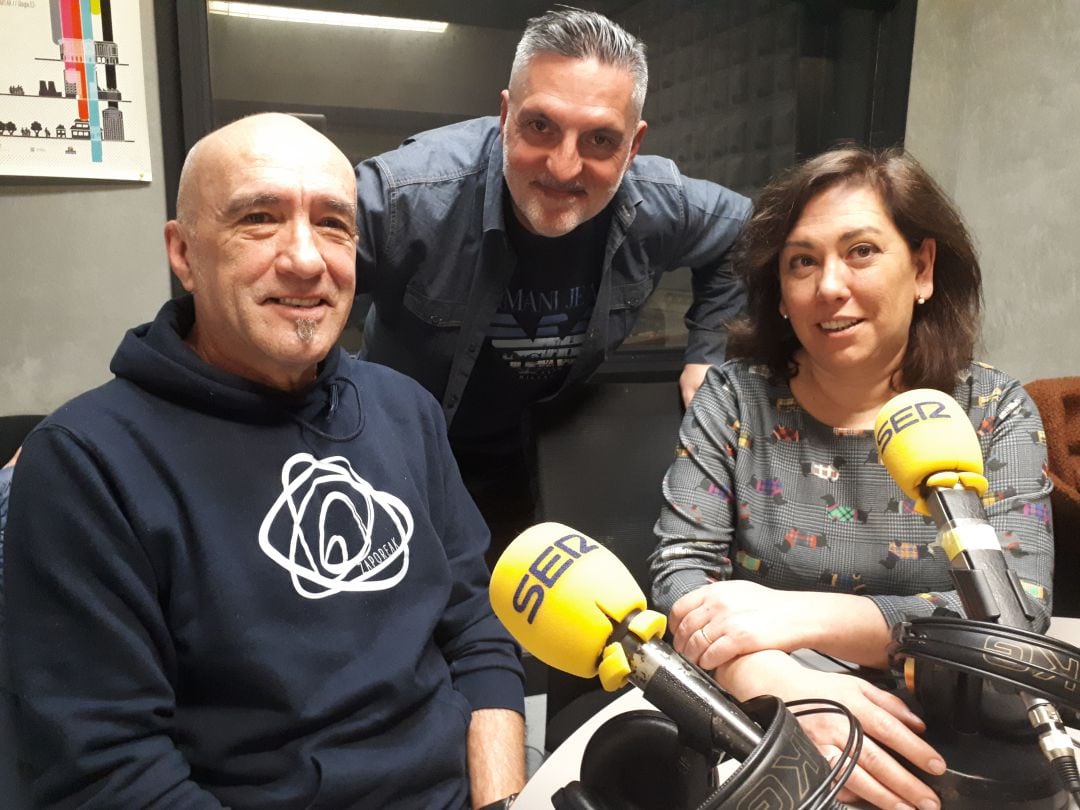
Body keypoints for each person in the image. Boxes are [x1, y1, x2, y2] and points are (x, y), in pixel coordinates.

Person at [4, 113, 525, 809]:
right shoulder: (85, 463)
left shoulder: (407, 411)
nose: (307, 259)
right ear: (184, 253)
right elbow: (110, 772)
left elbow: (477, 633)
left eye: (333, 224)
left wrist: (502, 803)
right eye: (259, 218)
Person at [648, 146, 1053, 810]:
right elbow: (682, 576)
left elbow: (1017, 616)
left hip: (951, 732)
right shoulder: (731, 400)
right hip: (766, 714)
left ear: (922, 269)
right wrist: (773, 679)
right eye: (802, 261)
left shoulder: (994, 412)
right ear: (779, 292)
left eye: (861, 251)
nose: (829, 286)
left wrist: (792, 613)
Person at [355, 8, 751, 558]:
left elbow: (748, 236)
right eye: (540, 126)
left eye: (599, 140)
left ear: (633, 147)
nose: (564, 168)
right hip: (397, 464)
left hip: (537, 462)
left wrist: (708, 353)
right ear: (505, 114)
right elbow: (287, 265)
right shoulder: (409, 194)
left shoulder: (660, 203)